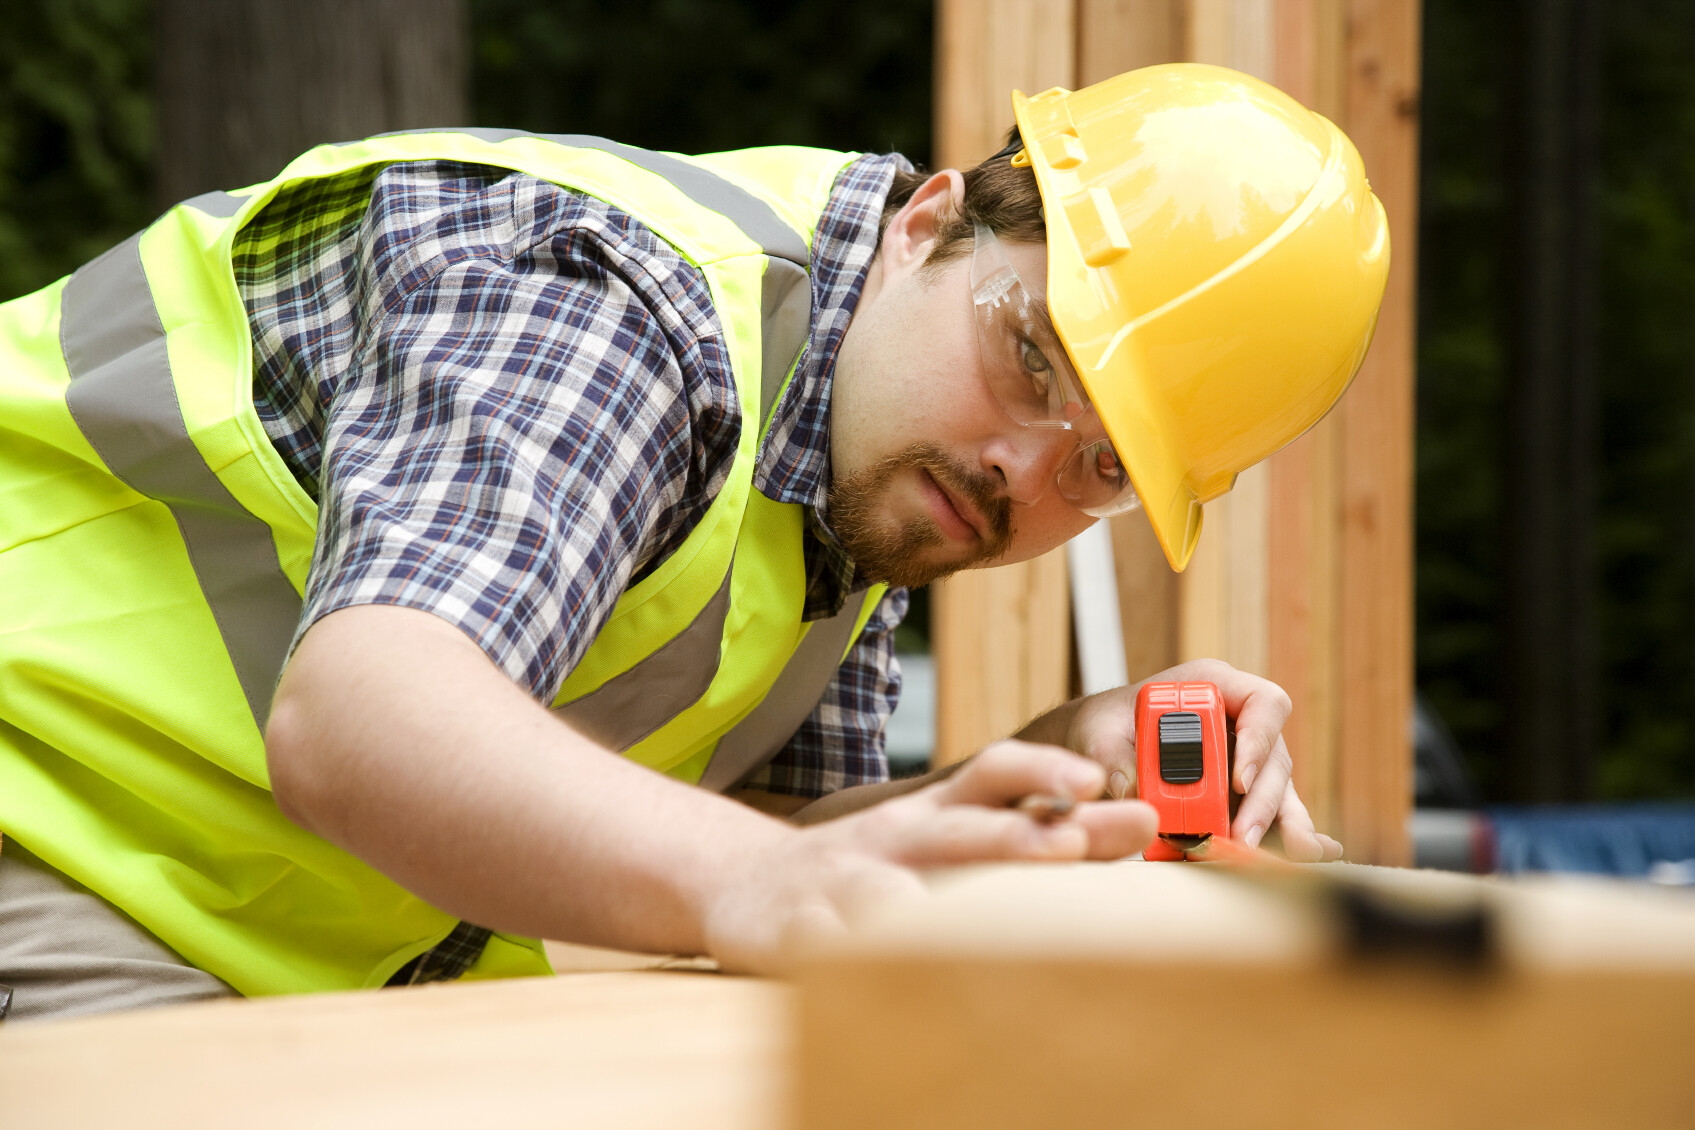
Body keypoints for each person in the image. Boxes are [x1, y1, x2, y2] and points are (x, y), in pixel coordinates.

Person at [0, 63, 1385, 1022]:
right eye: (1031, 360)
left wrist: (1031, 780)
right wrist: (755, 882)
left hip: (267, 922)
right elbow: (364, 710)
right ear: (930, 223)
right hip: (49, 816)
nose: (1020, 466)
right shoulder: (617, 308)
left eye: (1102, 465)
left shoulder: (867, 463)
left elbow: (761, 853)